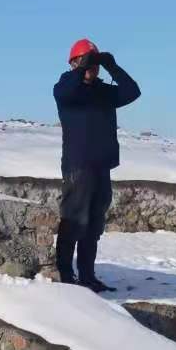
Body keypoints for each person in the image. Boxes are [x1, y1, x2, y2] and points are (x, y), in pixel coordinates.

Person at [53, 38, 141, 292]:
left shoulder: (103, 92)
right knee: (73, 220)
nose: (93, 68)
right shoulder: (67, 88)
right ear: (74, 63)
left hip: (102, 166)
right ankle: (66, 274)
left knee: (93, 224)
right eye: (85, 61)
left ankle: (88, 276)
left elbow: (132, 92)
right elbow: (66, 91)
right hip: (78, 166)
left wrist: (112, 66)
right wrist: (83, 66)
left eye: (95, 63)